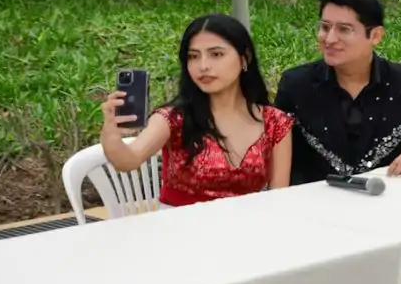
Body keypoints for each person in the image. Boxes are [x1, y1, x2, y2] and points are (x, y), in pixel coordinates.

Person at [98, 13, 293, 207]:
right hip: (180, 224)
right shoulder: (173, 119)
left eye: (216, 54)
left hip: (248, 224)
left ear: (245, 58)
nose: (203, 66)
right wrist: (111, 132)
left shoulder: (275, 122)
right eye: (193, 56)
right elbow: (128, 160)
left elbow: (277, 200)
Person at [275, 0, 401, 183]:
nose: (329, 39)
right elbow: (274, 148)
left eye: (344, 29)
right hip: (313, 196)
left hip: (386, 193)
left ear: (375, 35)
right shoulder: (296, 84)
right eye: (325, 27)